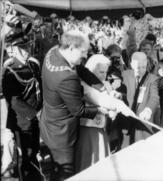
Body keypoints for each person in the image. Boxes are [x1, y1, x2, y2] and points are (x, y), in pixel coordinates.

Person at [39, 30, 106, 180]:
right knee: (65, 174)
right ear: (71, 48)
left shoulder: (54, 51)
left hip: (50, 124)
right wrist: (102, 109)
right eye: (83, 52)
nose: (85, 56)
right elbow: (78, 109)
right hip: (62, 136)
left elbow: (79, 68)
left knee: (55, 171)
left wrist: (100, 86)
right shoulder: (66, 77)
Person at [2, 42, 42, 180]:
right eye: (22, 48)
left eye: (27, 47)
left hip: (35, 119)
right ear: (12, 50)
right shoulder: (10, 71)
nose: (26, 51)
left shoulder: (33, 65)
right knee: (25, 157)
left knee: (34, 152)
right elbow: (14, 101)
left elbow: (39, 89)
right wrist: (34, 114)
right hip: (22, 122)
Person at [75, 54, 112, 172]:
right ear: (91, 71)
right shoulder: (82, 85)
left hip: (101, 129)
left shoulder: (105, 84)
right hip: (87, 131)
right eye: (101, 72)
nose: (104, 76)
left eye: (106, 72)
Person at [122, 52, 159, 146]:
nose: (140, 70)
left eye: (143, 67)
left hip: (143, 124)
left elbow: (154, 97)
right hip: (126, 123)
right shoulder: (124, 75)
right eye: (137, 67)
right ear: (131, 64)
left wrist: (148, 109)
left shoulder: (152, 79)